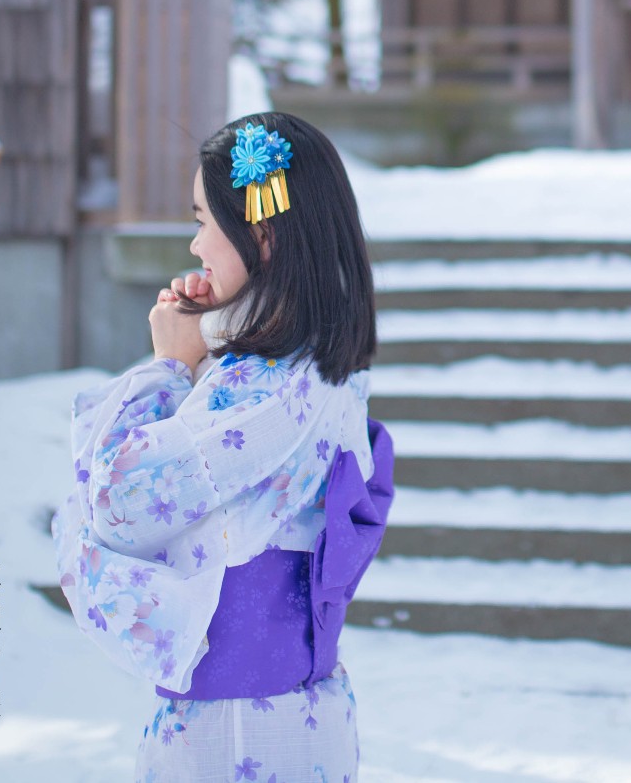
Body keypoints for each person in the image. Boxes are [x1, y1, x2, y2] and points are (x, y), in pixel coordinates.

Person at [52, 112, 391, 783]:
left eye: (205, 219)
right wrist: (205, 344)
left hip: (238, 730)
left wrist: (168, 366)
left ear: (260, 233)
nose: (196, 241)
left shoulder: (271, 384)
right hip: (280, 716)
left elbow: (118, 498)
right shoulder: (302, 366)